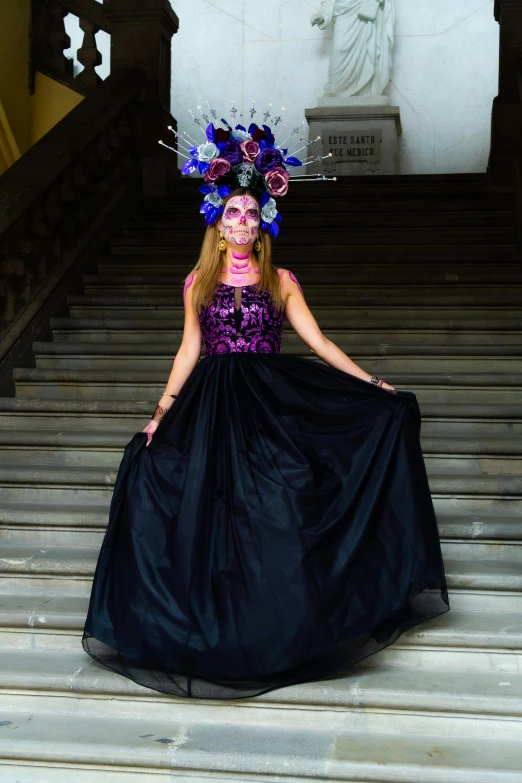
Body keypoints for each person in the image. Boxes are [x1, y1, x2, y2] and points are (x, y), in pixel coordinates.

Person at [82, 114, 449, 700]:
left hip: (272, 404)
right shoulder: (196, 284)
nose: (243, 221)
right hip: (210, 406)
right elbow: (188, 350)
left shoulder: (281, 280)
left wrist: (372, 383)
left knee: (279, 508)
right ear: (217, 222)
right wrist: (161, 413)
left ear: (263, 221)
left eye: (252, 213)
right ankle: (211, 632)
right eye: (233, 213)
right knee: (187, 499)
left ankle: (282, 632)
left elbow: (320, 343)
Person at [311, 0, 395, 99]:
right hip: (344, 14)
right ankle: (334, 89)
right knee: (338, 50)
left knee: (367, 50)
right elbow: (328, 2)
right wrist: (322, 15)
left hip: (364, 14)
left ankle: (365, 90)